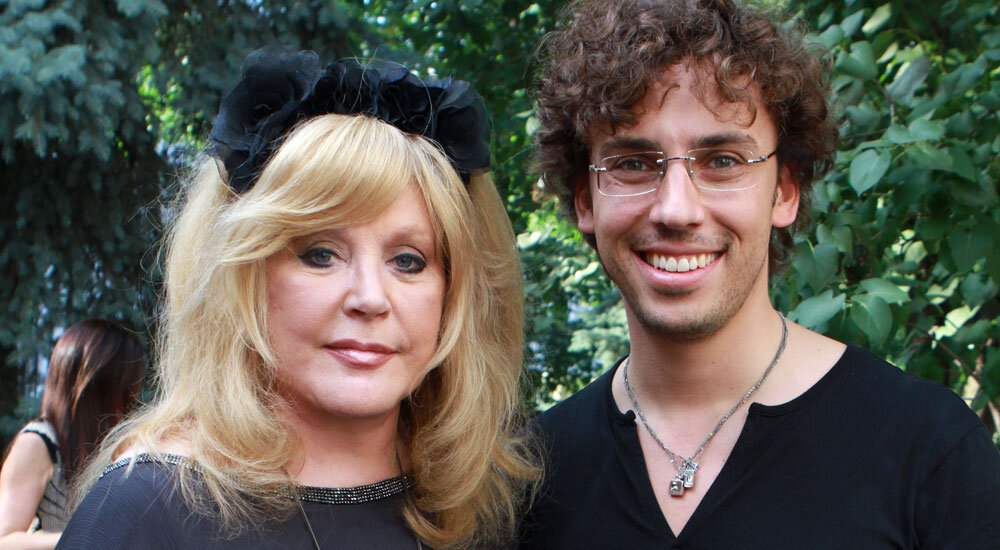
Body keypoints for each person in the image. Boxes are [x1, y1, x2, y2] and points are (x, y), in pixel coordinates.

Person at [521, 0, 1000, 548]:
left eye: (723, 161)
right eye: (632, 163)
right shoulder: (527, 480)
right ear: (585, 199)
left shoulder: (930, 453)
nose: (676, 210)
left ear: (785, 191)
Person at [56, 48, 539, 550]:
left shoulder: (488, 505)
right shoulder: (145, 510)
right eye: (320, 254)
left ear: (454, 291)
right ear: (244, 274)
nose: (370, 298)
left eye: (408, 261)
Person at [0, 318, 145, 550]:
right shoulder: (38, 442)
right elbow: (5, 541)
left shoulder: (118, 442)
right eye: (126, 389)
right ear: (100, 387)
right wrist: (87, 537)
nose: (131, 400)